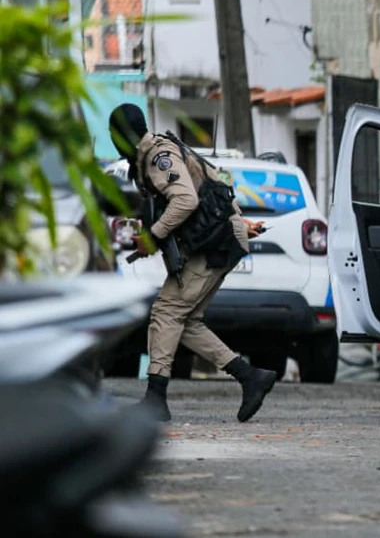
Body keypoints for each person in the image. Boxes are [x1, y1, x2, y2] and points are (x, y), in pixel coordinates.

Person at [108, 104, 278, 423]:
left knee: (166, 312)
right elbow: (212, 182)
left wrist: (154, 236)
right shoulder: (155, 153)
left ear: (123, 136)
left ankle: (156, 398)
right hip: (216, 241)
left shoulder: (159, 154)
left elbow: (187, 199)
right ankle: (250, 377)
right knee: (185, 322)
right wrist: (239, 220)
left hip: (213, 245)